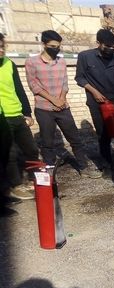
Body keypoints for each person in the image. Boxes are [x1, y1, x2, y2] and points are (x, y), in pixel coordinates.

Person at [25, 30, 102, 178]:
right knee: (47, 142)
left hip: (63, 107)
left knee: (75, 138)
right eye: (52, 46)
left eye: (58, 46)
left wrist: (61, 98)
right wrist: (53, 100)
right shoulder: (32, 62)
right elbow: (33, 85)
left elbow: (65, 83)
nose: (56, 49)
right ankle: (49, 170)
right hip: (44, 108)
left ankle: (83, 166)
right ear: (44, 44)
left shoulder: (61, 61)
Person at [75, 29, 114, 174]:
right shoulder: (85, 57)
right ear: (98, 43)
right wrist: (94, 91)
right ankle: (107, 164)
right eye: (107, 46)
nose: (110, 49)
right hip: (97, 102)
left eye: (113, 47)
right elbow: (80, 78)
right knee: (103, 134)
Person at [0, 33, 39, 200]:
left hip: (16, 113)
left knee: (31, 149)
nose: (1, 50)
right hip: (2, 117)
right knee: (10, 153)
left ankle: (34, 179)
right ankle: (15, 185)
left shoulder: (9, 64)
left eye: (3, 46)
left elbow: (19, 89)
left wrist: (27, 112)